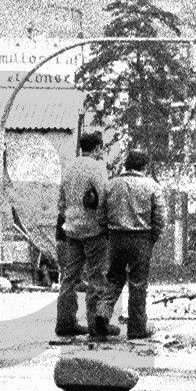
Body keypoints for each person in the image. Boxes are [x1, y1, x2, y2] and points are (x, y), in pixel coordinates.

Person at [99, 148, 165, 343]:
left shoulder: (111, 185)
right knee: (138, 283)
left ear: (127, 165)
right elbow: (160, 215)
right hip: (141, 238)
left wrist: (108, 233)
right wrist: (154, 236)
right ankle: (136, 328)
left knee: (113, 278)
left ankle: (102, 314)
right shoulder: (152, 186)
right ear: (144, 166)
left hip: (116, 237)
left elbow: (102, 212)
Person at [51, 130, 111, 344]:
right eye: (101, 148)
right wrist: (105, 224)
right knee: (96, 276)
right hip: (94, 230)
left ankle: (65, 323)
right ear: (96, 148)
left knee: (69, 276)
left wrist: (69, 218)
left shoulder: (69, 168)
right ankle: (95, 325)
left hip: (71, 229)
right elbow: (104, 197)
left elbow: (61, 203)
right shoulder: (98, 168)